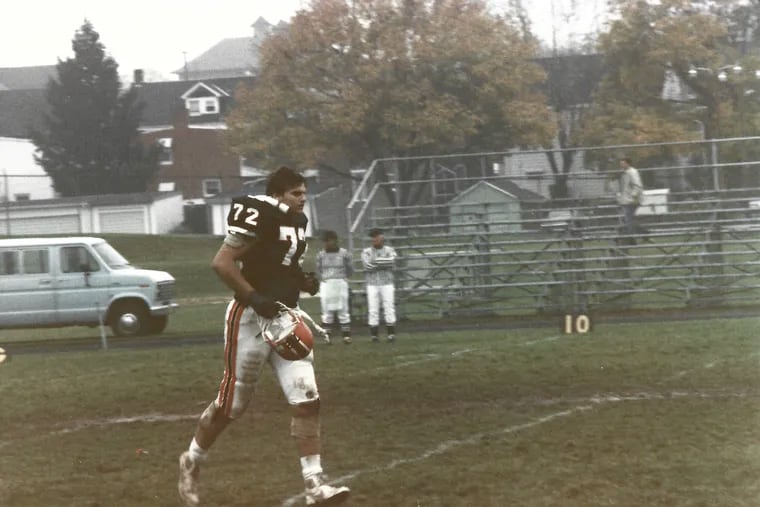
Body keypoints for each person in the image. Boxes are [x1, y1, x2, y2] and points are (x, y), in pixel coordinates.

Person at [177, 166, 350, 507]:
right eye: (295, 194)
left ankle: (315, 484)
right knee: (232, 406)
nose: (303, 199)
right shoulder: (261, 215)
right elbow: (222, 263)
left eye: (304, 193)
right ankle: (192, 460)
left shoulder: (297, 222)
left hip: (284, 320)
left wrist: (302, 280)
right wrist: (255, 297)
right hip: (250, 320)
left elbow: (281, 264)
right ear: (277, 195)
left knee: (307, 400)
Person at [315, 230, 354, 344]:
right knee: (327, 311)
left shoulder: (345, 254)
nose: (326, 243)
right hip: (326, 284)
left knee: (343, 310)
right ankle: (327, 337)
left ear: (335, 240)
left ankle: (346, 336)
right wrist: (323, 278)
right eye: (325, 241)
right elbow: (318, 270)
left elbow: (350, 269)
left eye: (328, 240)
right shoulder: (320, 255)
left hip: (340, 282)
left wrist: (342, 277)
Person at [361, 228, 397, 342]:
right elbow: (367, 266)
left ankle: (391, 334)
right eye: (373, 237)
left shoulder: (390, 250)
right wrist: (383, 262)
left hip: (387, 283)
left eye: (377, 236)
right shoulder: (366, 251)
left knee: (389, 307)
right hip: (372, 284)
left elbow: (392, 262)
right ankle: (374, 335)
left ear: (382, 237)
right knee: (373, 309)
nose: (375, 239)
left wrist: (375, 262)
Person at [617, 157, 644, 241]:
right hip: (627, 200)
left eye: (623, 163)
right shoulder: (624, 173)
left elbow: (637, 185)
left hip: (632, 200)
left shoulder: (632, 172)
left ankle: (631, 237)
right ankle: (642, 233)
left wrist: (633, 196)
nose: (621, 165)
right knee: (629, 218)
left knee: (628, 218)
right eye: (620, 163)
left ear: (628, 163)